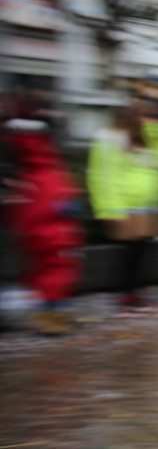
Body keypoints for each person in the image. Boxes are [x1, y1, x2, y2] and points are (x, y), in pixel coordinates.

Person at [87, 104, 158, 311]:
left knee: (142, 251)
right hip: (127, 205)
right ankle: (126, 291)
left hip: (150, 205)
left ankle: (135, 290)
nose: (142, 120)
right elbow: (101, 175)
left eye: (143, 116)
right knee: (130, 253)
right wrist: (107, 208)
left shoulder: (149, 139)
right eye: (138, 116)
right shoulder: (109, 141)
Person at [2, 118, 83, 334]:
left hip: (47, 232)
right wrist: (65, 208)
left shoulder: (34, 172)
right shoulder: (45, 170)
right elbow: (49, 202)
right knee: (54, 274)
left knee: (49, 273)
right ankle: (47, 317)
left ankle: (53, 313)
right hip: (52, 233)